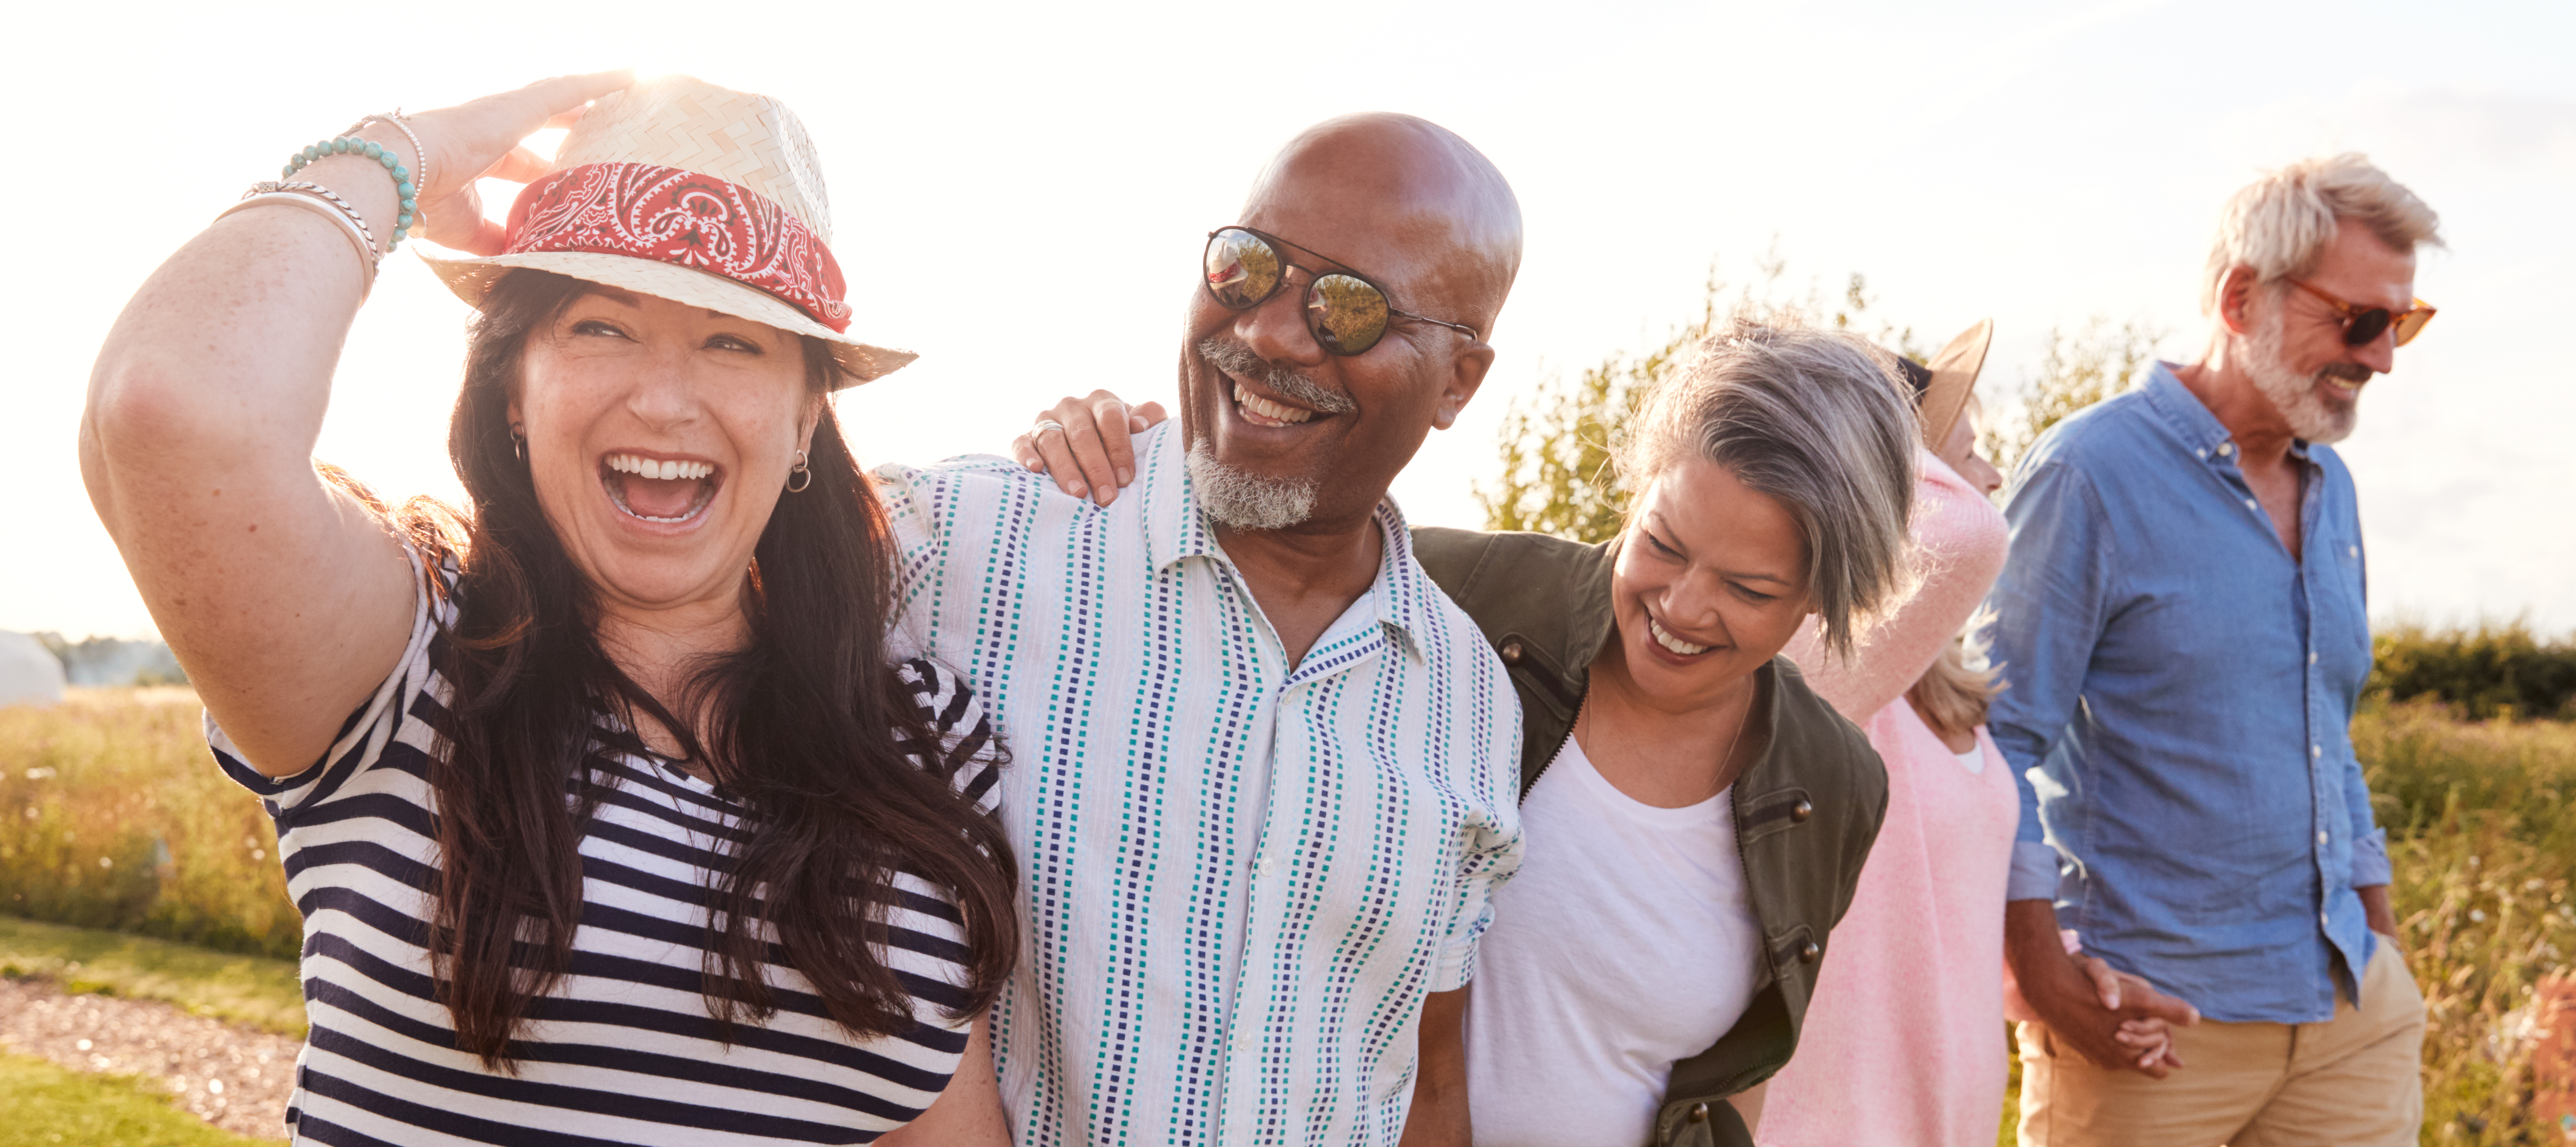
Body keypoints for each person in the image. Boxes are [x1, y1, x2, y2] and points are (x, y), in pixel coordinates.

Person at [80, 74, 1016, 1144]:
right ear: (512, 393)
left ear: (805, 420)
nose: (665, 400)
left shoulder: (920, 737)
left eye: (733, 342)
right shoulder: (409, 659)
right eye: (602, 327)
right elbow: (175, 410)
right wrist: (404, 153)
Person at [1017, 309, 1923, 1147]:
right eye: (1664, 545)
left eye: (1750, 589)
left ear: (1827, 594)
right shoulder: (1448, 600)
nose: (1682, 606)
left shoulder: (1834, 780)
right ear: (1637, 494)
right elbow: (1216, 557)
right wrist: (1113, 444)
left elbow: (1733, 1078)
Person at [874, 113, 1526, 1144]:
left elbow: (1421, 1077)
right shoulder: (954, 548)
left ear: (1458, 380)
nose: (1269, 331)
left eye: (1350, 308)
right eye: (1246, 266)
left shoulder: (1472, 701)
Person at [1987, 153, 2441, 1145]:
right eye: (2359, 322)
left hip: (2347, 1019)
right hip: (2155, 1033)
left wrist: (2386, 953)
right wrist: (2046, 985)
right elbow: (1991, 744)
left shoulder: (2335, 493)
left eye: (2402, 322)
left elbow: (2328, 740)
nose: (2383, 357)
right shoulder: (2086, 475)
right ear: (2243, 298)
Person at [1754, 323, 2192, 1147]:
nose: (1993, 476)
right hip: (1823, 1122)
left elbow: (1943, 901)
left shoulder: (1945, 694)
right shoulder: (1824, 671)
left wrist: (2060, 978)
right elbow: (1965, 536)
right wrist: (1855, 427)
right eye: (1970, 453)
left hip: (1945, 1119)